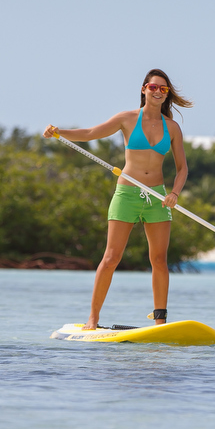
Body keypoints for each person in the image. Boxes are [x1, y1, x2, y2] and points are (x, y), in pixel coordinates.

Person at [44, 70, 191, 329]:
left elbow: (182, 168)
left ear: (166, 94)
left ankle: (160, 322)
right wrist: (60, 132)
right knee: (111, 257)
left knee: (159, 260)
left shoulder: (172, 128)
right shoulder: (126, 118)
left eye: (163, 89)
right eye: (153, 87)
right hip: (127, 193)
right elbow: (90, 133)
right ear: (143, 89)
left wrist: (174, 194)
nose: (157, 92)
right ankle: (92, 319)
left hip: (158, 197)